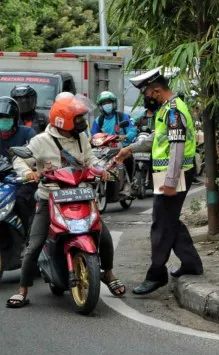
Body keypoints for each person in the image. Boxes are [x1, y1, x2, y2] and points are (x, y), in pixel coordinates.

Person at [6, 95, 125, 308]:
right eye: (78, 119)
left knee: (104, 238)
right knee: (34, 246)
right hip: (49, 198)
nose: (82, 122)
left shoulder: (80, 138)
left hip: (81, 195)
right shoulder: (41, 140)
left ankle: (108, 272)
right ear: (63, 120)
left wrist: (101, 169)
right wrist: (29, 173)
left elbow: (91, 159)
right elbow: (21, 158)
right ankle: (22, 290)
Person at [114, 67, 203, 295]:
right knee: (169, 220)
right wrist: (129, 149)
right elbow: (157, 139)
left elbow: (177, 147)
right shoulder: (167, 109)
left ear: (155, 91)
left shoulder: (173, 111)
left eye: (146, 94)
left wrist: (171, 181)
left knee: (161, 224)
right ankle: (191, 263)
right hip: (171, 173)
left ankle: (156, 274)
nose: (145, 99)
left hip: (176, 173)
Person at [0, 96, 37, 233]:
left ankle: (28, 235)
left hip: (23, 181)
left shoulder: (27, 133)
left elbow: (35, 156)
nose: (2, 124)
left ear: (15, 119)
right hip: (2, 182)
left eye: (6, 119)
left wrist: (30, 172)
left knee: (22, 201)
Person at [91, 91, 137, 185]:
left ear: (113, 103)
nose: (107, 105)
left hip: (121, 147)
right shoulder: (98, 120)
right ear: (100, 106)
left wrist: (125, 136)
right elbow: (93, 135)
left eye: (108, 102)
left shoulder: (122, 117)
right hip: (104, 150)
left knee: (128, 159)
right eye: (104, 103)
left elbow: (132, 130)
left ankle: (129, 182)